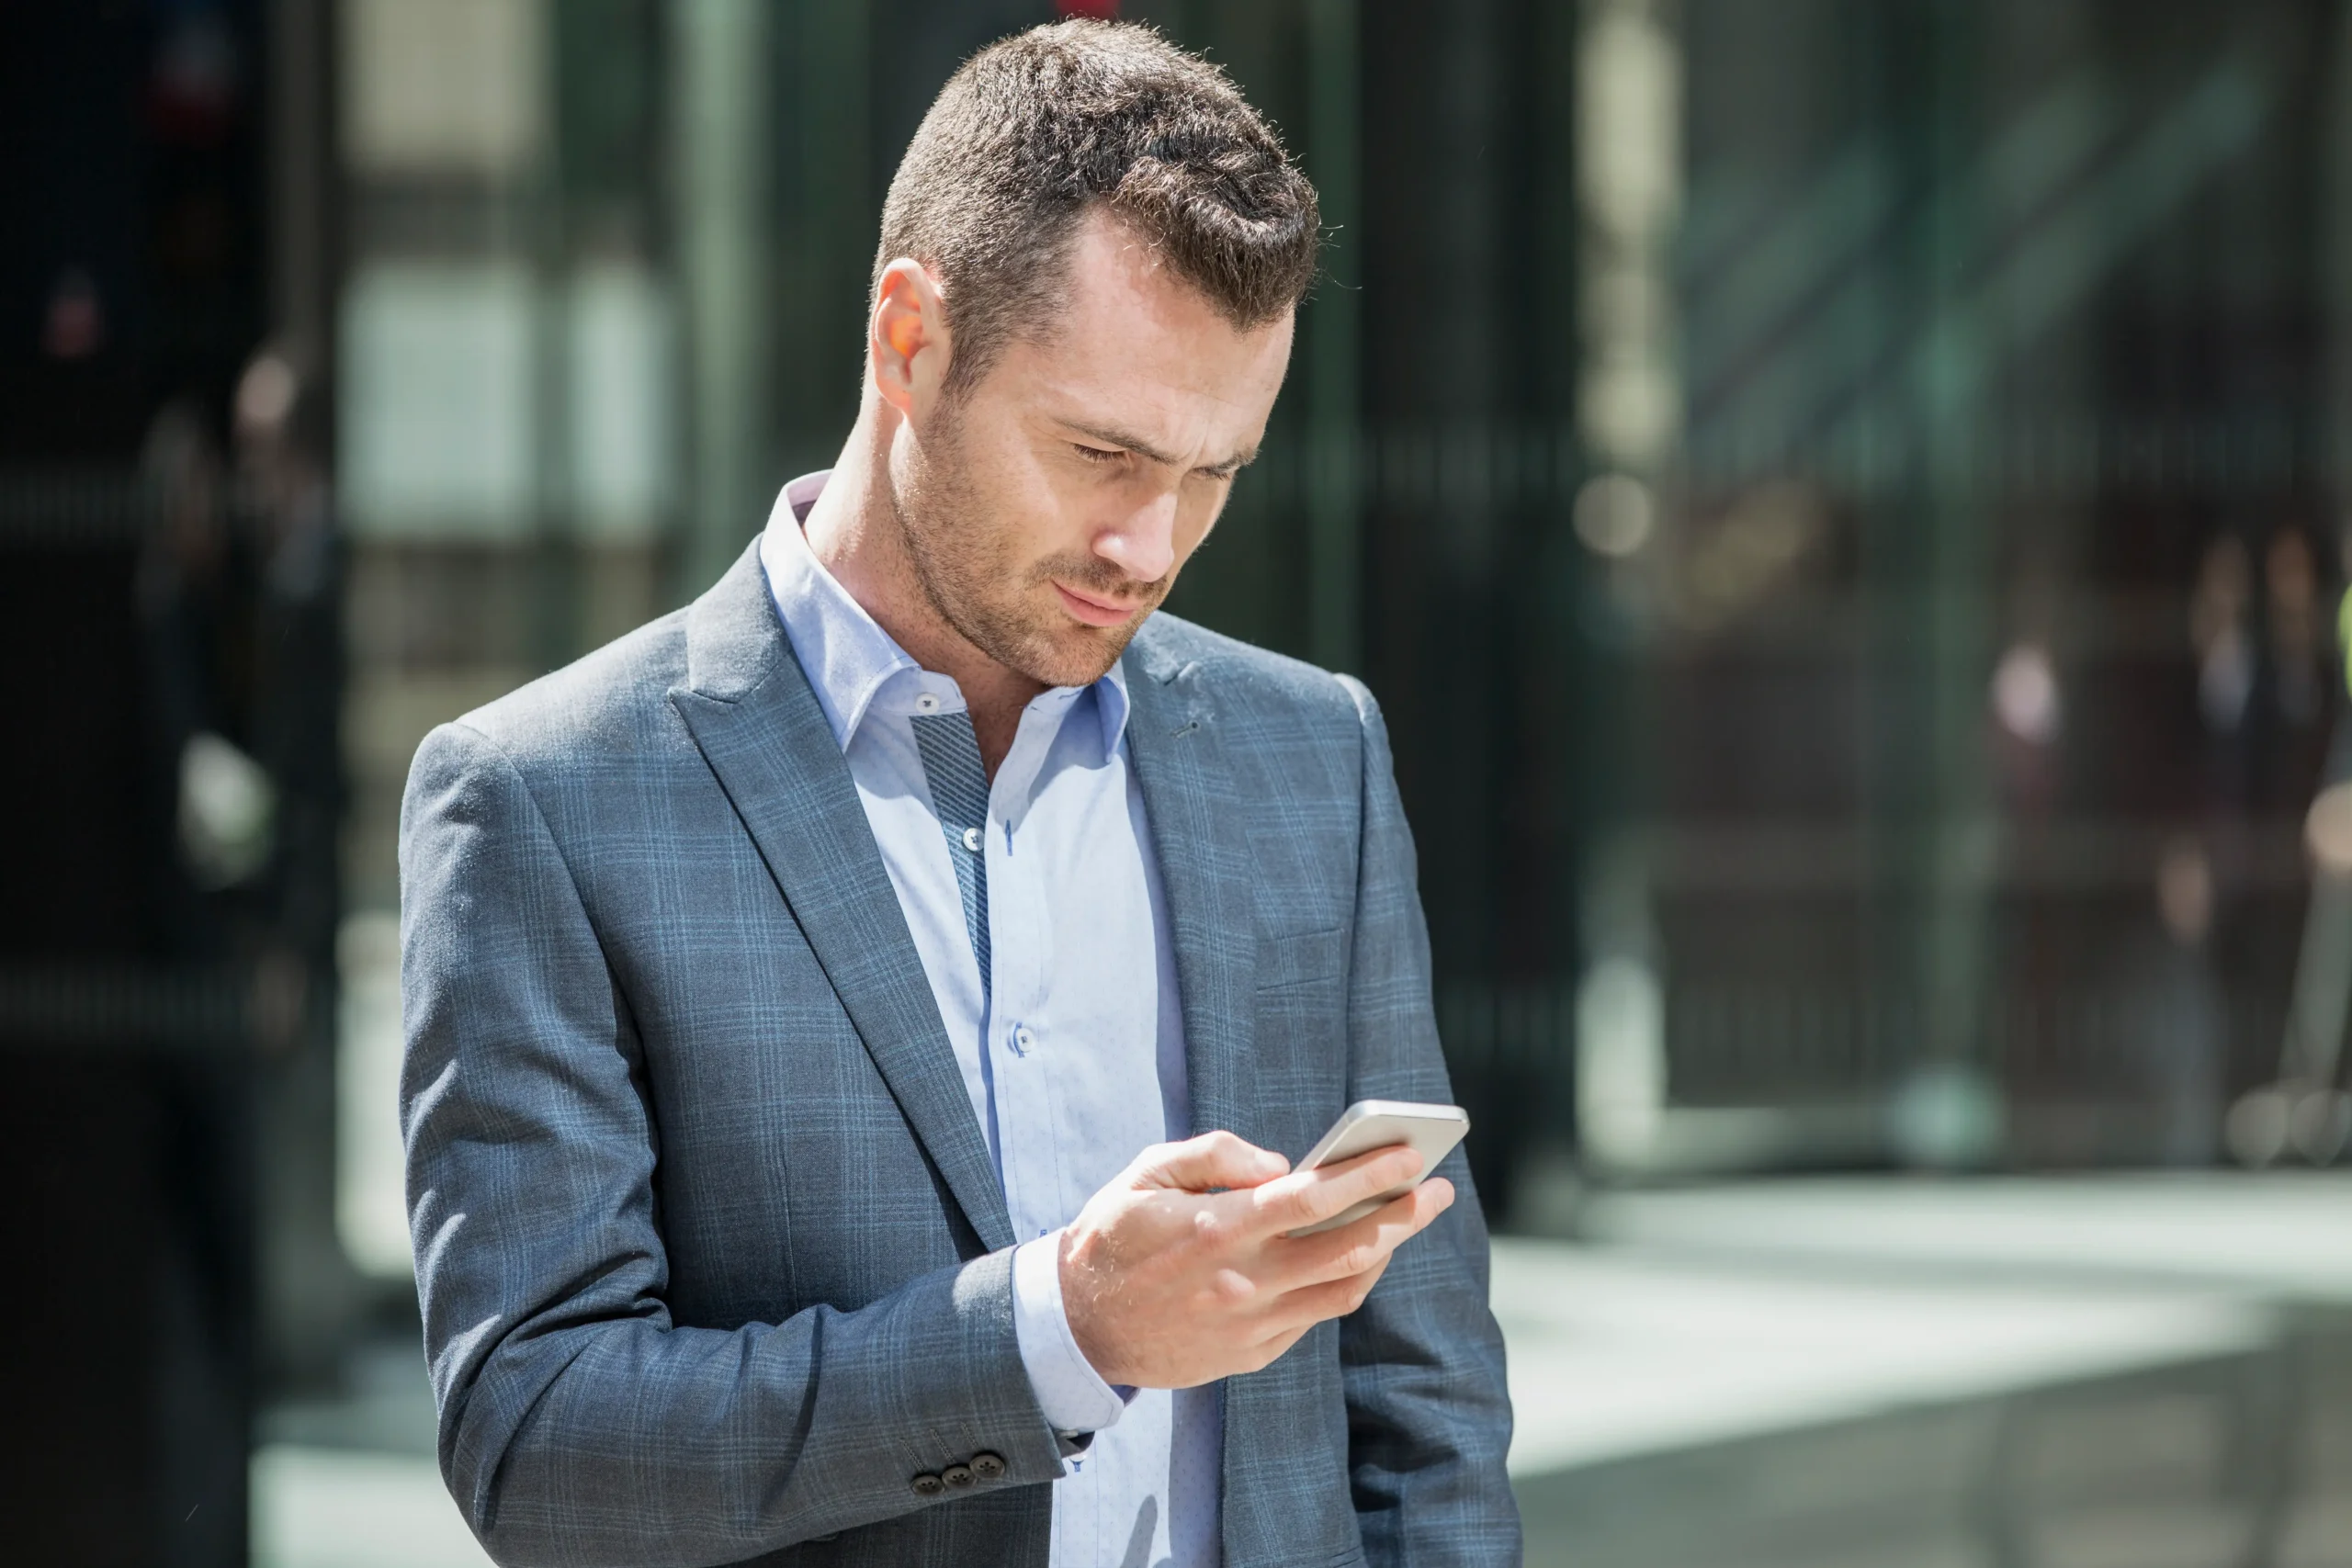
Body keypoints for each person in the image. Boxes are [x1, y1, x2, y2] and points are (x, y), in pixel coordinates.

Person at [400, 21, 1516, 1567]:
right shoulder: (550, 801)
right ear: (911, 338)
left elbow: (1424, 1406)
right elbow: (542, 1450)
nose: (1152, 543)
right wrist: (1056, 1329)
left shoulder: (1308, 754)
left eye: (1214, 470)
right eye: (1102, 450)